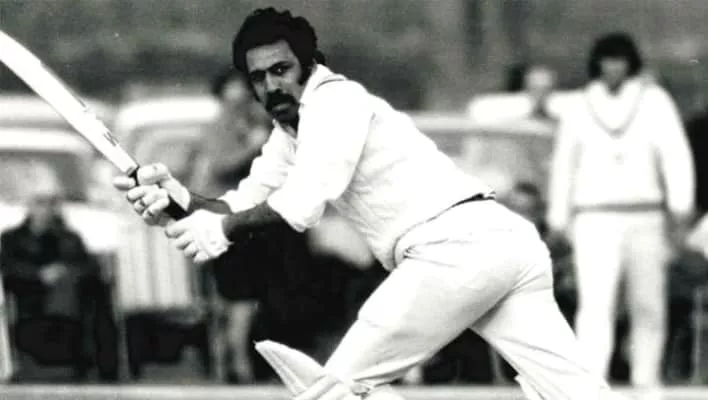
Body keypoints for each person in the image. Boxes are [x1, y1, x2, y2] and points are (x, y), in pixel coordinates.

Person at [113, 8, 621, 399]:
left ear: (310, 65)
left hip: (455, 250)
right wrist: (179, 200)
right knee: (580, 394)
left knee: (334, 391)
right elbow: (239, 204)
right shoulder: (290, 134)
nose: (271, 85)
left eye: (281, 69)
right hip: (502, 246)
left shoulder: (336, 102)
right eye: (259, 77)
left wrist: (220, 232)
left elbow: (300, 206)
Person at [547, 32, 695, 396]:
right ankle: (591, 382)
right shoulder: (579, 104)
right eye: (607, 60)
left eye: (619, 61)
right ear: (597, 64)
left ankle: (647, 379)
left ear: (631, 64)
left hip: (646, 215)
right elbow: (565, 162)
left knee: (648, 302)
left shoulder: (654, 101)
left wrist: (681, 204)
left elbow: (674, 154)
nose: (613, 67)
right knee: (596, 302)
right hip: (594, 217)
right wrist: (558, 216)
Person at [0, 182, 101, 381]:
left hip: (67, 296)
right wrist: (39, 275)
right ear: (30, 206)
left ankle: (67, 361)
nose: (46, 209)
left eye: (52, 203)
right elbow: (7, 268)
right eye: (41, 203)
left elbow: (89, 267)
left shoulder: (69, 238)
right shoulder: (11, 239)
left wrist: (63, 272)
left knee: (69, 289)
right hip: (26, 293)